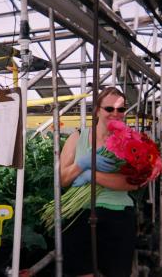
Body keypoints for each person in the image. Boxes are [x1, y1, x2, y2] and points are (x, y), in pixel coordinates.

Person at [60, 87, 139, 277]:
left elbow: (132, 182)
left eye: (121, 110)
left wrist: (92, 176)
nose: (115, 114)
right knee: (81, 271)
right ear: (96, 110)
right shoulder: (77, 137)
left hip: (118, 214)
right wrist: (82, 163)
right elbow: (62, 179)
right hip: (78, 212)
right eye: (109, 109)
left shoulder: (130, 142)